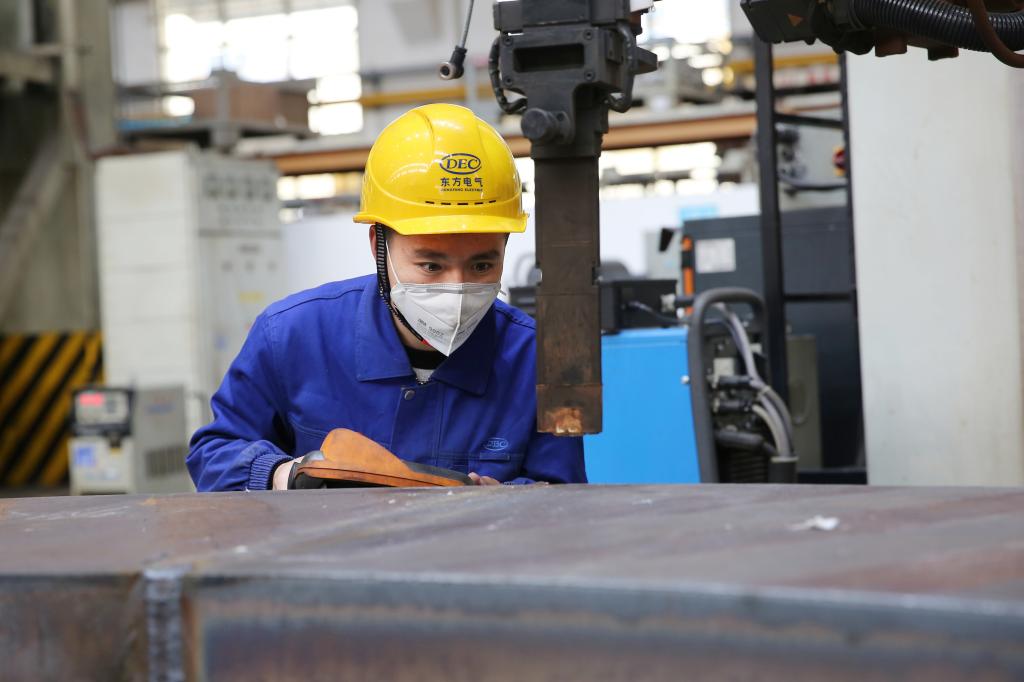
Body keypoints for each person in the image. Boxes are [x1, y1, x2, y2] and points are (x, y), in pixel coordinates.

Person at [187, 103, 587, 491]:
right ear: (378, 245)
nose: (457, 287)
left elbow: (564, 493)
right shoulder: (291, 336)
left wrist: (512, 498)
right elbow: (214, 455)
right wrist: (281, 475)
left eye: (482, 265)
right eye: (431, 266)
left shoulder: (538, 359)